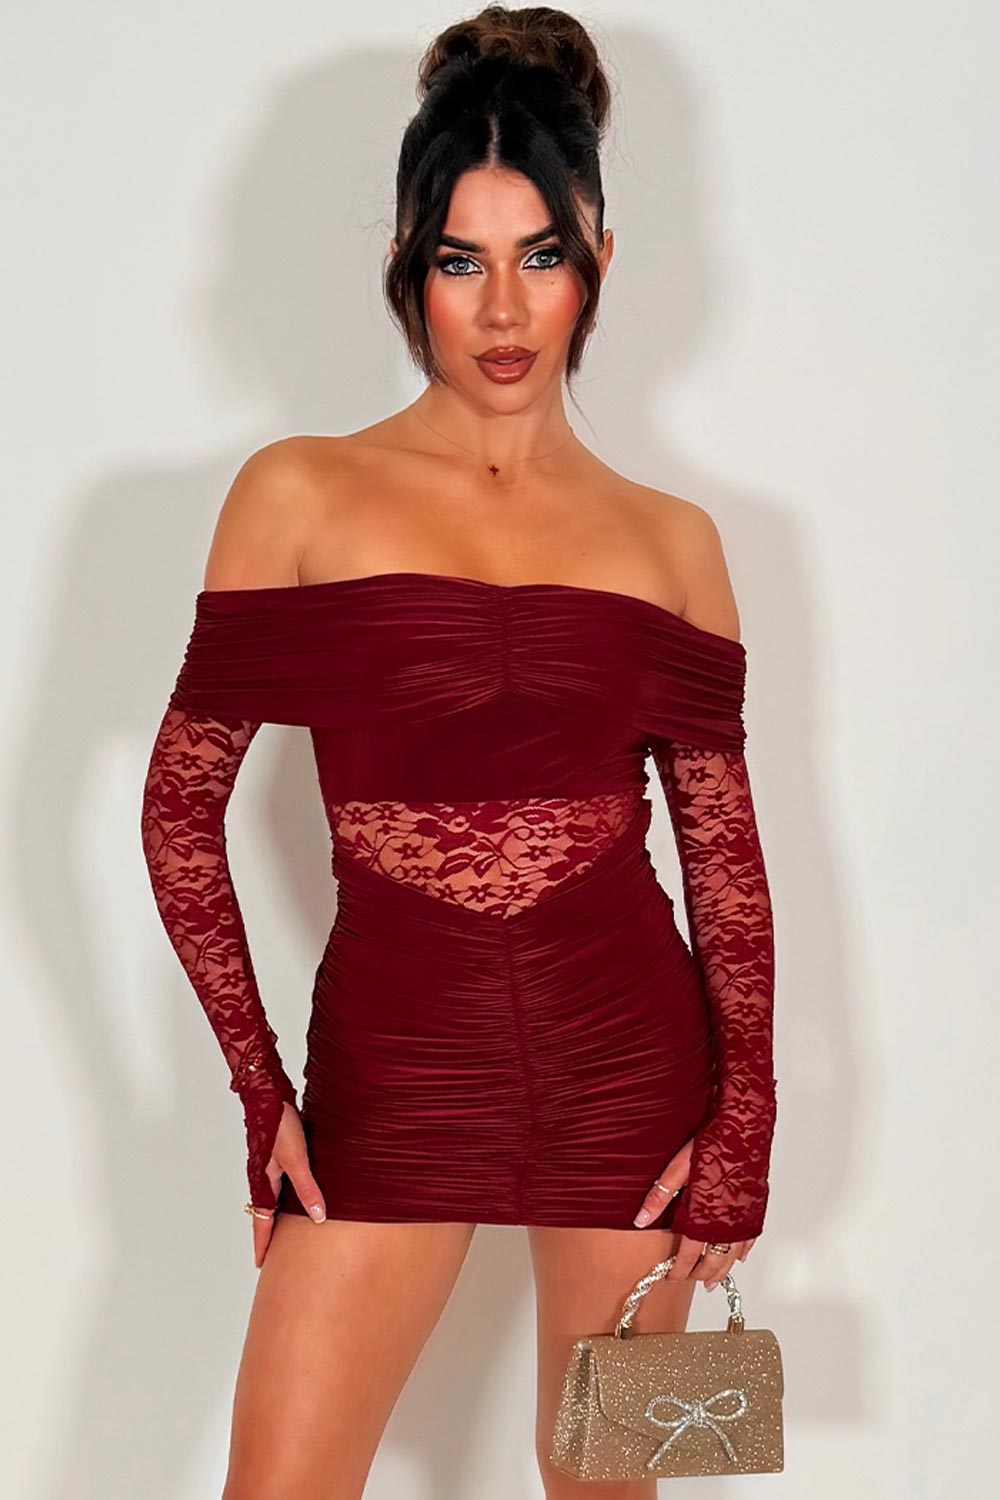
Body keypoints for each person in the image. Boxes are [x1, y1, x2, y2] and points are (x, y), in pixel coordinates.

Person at [139, 7, 777, 1497]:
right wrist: (259, 1089)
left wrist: (743, 1124)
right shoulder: (299, 493)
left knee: (610, 1487)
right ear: (405, 268)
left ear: (599, 257)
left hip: (631, 1074)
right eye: (458, 260)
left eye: (539, 256)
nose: (502, 308)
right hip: (390, 1067)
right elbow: (179, 813)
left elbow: (727, 867)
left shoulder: (674, 542)